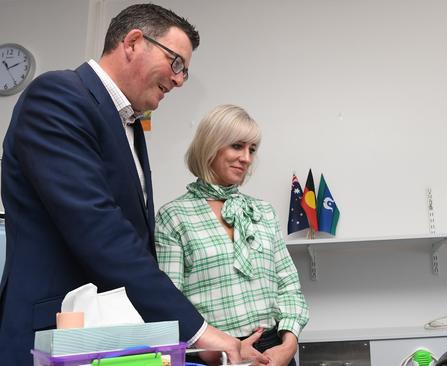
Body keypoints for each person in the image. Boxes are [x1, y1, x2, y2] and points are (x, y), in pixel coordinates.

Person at [0, 4, 244, 364]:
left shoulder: (129, 126)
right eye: (176, 63)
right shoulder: (58, 96)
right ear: (133, 42)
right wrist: (196, 331)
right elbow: (100, 231)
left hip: (108, 337)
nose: (178, 80)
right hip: (55, 337)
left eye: (185, 74)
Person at [155, 104, 310, 366]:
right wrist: (219, 352)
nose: (247, 158)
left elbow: (289, 287)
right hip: (212, 355)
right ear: (210, 146)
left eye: (252, 149)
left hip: (275, 351)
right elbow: (169, 304)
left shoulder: (263, 212)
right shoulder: (174, 216)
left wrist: (288, 346)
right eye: (237, 146)